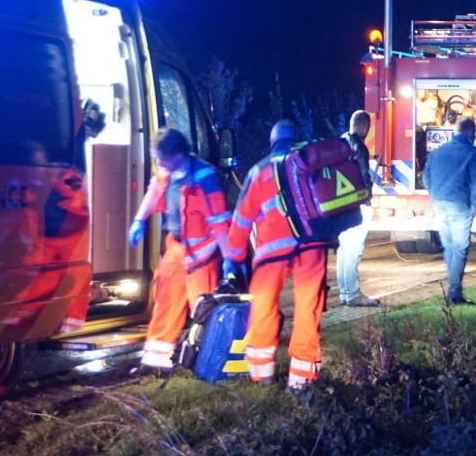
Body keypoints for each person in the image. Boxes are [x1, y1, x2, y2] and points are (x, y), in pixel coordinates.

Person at [225, 120, 333, 390]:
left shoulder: (259, 170)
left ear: (272, 142)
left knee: (263, 307)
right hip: (312, 246)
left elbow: (241, 219)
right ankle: (302, 379)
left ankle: (262, 376)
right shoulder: (310, 164)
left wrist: (234, 256)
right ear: (297, 139)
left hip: (272, 251)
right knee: (309, 308)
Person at [127, 127, 230, 376]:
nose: (159, 163)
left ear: (179, 154)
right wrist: (140, 219)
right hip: (177, 246)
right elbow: (154, 192)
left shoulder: (204, 176)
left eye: (163, 158)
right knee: (165, 300)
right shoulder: (166, 170)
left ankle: (205, 362)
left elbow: (219, 221)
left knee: (202, 309)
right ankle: (155, 359)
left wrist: (229, 258)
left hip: (203, 252)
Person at [422, 117, 476, 304]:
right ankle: (454, 293)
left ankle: (453, 290)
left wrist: (434, 195)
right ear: (469, 132)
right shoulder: (473, 153)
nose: (474, 137)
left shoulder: (438, 152)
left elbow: (425, 176)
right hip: (460, 205)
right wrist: (474, 206)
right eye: (474, 133)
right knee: (460, 249)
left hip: (439, 204)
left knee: (449, 248)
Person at [336, 110, 379, 307]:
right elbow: (362, 176)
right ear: (364, 126)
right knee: (354, 250)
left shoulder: (340, 143)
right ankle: (353, 295)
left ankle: (345, 293)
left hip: (340, 205)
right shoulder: (359, 147)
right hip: (357, 205)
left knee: (344, 249)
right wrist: (367, 198)